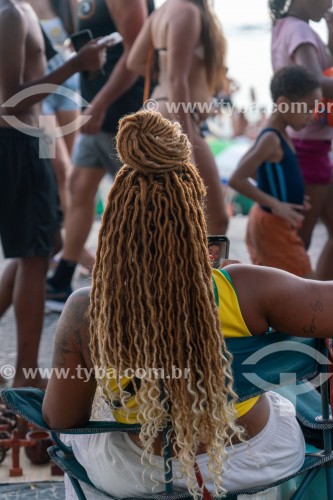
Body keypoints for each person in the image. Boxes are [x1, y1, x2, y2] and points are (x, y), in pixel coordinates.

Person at [43, 110, 333, 498]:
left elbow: (62, 418)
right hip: (253, 462)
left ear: (115, 224)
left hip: (142, 474)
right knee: (282, 402)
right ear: (193, 216)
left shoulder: (86, 309)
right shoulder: (245, 288)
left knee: (80, 447)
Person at [0, 0, 106, 387]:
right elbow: (10, 99)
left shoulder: (22, 11)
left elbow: (35, 86)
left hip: (31, 140)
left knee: (42, 245)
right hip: (14, 142)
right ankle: (26, 376)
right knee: (33, 255)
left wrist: (52, 154)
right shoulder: (10, 14)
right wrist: (77, 66)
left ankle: (26, 374)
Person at [45, 0, 155, 312]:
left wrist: (101, 103)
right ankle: (62, 277)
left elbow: (138, 54)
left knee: (141, 204)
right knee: (78, 188)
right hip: (94, 114)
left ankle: (148, 286)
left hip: (124, 115)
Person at [127, 0, 229, 236]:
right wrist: (187, 144)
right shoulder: (187, 11)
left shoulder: (163, 11)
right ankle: (204, 274)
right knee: (214, 220)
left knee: (169, 219)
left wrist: (163, 65)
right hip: (176, 118)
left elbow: (135, 61)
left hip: (159, 111)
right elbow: (176, 79)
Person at [229, 66, 321, 278]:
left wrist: (286, 194)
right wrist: (276, 203)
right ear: (283, 105)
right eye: (308, 109)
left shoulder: (277, 133)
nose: (312, 116)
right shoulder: (271, 138)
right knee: (306, 282)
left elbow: (255, 171)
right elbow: (237, 179)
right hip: (272, 226)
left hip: (270, 222)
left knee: (276, 282)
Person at [269, 0, 333, 280]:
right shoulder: (300, 32)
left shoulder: (286, 27)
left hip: (308, 142)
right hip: (310, 147)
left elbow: (324, 71)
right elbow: (317, 83)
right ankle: (294, 303)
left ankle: (319, 297)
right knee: (300, 239)